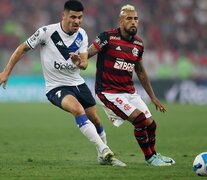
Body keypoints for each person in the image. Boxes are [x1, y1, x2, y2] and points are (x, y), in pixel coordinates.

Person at [0, 0, 126, 167]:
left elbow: (84, 64)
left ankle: (101, 156)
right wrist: (6, 71)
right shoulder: (46, 32)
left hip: (77, 83)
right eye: (73, 17)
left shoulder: (82, 34)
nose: (77, 21)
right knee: (77, 109)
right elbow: (22, 48)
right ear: (63, 16)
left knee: (95, 120)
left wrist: (77, 61)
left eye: (80, 17)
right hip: (56, 87)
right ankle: (105, 150)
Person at [88, 4, 175, 166]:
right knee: (140, 120)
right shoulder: (108, 37)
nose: (133, 22)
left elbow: (140, 71)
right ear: (120, 21)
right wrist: (78, 59)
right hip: (108, 92)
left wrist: (153, 97)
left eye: (135, 19)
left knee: (151, 124)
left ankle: (155, 154)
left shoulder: (138, 44)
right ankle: (149, 158)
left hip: (129, 92)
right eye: (129, 18)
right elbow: (89, 53)